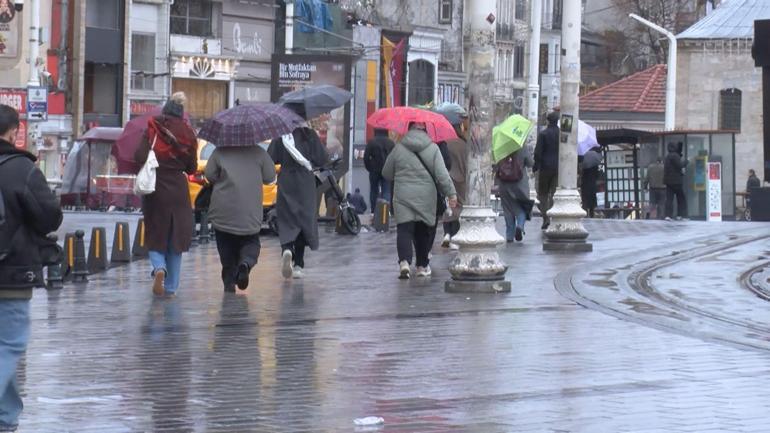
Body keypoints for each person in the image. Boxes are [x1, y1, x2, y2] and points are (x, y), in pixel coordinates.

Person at [0, 104, 63, 431]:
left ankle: (6, 420)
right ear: (13, 133)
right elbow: (49, 216)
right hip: (11, 274)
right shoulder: (21, 169)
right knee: (9, 345)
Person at [134, 92, 198, 297]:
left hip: (156, 187)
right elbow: (191, 168)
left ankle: (159, 267)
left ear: (165, 111)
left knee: (155, 232)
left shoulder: (153, 128)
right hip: (178, 189)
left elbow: (139, 156)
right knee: (176, 239)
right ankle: (170, 288)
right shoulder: (188, 133)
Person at [382, 123, 457, 279]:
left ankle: (404, 262)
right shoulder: (433, 149)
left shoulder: (399, 148)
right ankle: (422, 266)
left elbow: (387, 173)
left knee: (404, 229)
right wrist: (451, 194)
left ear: (408, 130)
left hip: (402, 196)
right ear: (426, 131)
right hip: (426, 197)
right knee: (424, 230)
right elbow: (442, 176)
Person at [205, 144, 276, 292]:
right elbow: (270, 177)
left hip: (223, 209)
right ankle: (246, 264)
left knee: (226, 245)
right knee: (251, 241)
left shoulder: (219, 152)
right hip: (249, 209)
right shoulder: (259, 152)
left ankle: (229, 282)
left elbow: (209, 175)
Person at [269, 115, 328, 280]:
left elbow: (272, 157)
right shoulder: (309, 135)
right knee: (303, 220)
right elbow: (323, 159)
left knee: (287, 218)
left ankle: (287, 249)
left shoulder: (282, 136)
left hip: (287, 180)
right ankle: (298, 265)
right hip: (305, 182)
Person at [497, 147, 535, 243]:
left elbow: (496, 165)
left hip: (504, 183)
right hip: (519, 183)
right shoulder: (522, 147)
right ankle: (520, 226)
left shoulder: (501, 148)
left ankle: (509, 236)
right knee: (521, 207)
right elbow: (531, 163)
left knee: (507, 210)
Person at [441, 125, 467, 248]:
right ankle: (454, 236)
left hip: (447, 176)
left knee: (448, 205)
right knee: (459, 205)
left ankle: (447, 233)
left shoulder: (444, 143)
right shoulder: (464, 144)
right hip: (461, 179)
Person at [534, 111, 560, 230]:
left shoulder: (543, 134)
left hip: (545, 167)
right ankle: (552, 214)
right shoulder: (561, 134)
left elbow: (538, 152)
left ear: (548, 121)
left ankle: (546, 217)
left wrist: (536, 165)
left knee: (543, 194)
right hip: (558, 167)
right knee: (554, 193)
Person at [364, 129, 394, 211]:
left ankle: (374, 211)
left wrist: (369, 168)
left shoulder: (372, 142)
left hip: (374, 170)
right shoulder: (391, 143)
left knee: (374, 191)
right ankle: (385, 212)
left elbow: (366, 157)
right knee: (386, 191)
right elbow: (394, 158)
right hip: (387, 170)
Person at [663, 141, 688, 221]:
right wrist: (687, 161)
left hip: (668, 182)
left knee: (669, 199)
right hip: (676, 181)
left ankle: (668, 215)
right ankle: (681, 215)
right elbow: (680, 165)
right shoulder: (675, 156)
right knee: (681, 198)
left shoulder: (667, 157)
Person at [581, 146, 602, 218]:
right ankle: (592, 212)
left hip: (585, 183)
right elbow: (597, 175)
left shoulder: (585, 159)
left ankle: (586, 212)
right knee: (592, 197)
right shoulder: (595, 162)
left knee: (585, 198)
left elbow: (582, 172)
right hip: (593, 183)